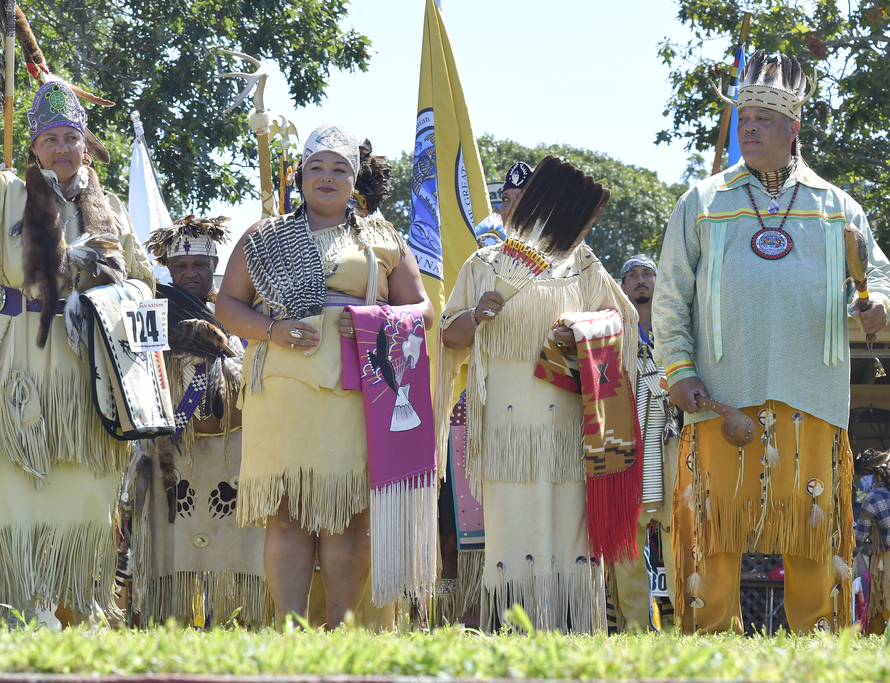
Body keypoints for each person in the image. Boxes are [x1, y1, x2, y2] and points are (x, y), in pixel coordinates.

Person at [655, 50, 890, 633]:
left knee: (810, 526)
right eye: (744, 118)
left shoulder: (836, 207)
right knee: (714, 526)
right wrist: (680, 368)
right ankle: (708, 637)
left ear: (794, 129)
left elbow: (878, 272)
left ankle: (817, 638)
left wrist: (879, 303)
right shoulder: (703, 203)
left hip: (811, 390)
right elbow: (669, 295)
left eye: (762, 117)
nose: (750, 126)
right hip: (723, 393)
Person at [0, 49, 152, 620]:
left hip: (86, 369)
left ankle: (81, 622)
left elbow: (146, 285)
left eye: (72, 137)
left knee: (87, 498)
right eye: (51, 139)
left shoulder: (110, 211)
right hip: (14, 361)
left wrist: (127, 296)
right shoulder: (8, 197)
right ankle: (22, 622)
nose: (63, 149)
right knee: (14, 501)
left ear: (86, 143)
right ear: (34, 147)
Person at [216, 124, 429, 628]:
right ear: (300, 176)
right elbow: (227, 305)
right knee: (287, 510)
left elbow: (420, 308)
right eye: (317, 168)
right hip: (283, 386)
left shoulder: (382, 238)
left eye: (339, 169)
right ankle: (291, 629)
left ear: (355, 180)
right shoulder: (265, 235)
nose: (327, 178)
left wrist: (374, 322)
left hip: (358, 387)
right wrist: (272, 328)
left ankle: (343, 627)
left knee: (348, 512)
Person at [440, 161, 636, 633]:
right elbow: (448, 335)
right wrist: (475, 315)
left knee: (571, 532)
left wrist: (582, 330)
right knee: (511, 532)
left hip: (570, 426)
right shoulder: (483, 264)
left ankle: (573, 630)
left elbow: (622, 325)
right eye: (508, 201)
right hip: (507, 432)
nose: (515, 209)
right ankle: (511, 629)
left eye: (526, 201)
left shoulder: (583, 263)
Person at [131, 215, 269, 626]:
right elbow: (140, 374)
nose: (190, 273)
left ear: (215, 266)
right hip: (175, 449)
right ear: (168, 269)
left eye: (199, 265)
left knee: (238, 544)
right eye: (180, 267)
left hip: (236, 446)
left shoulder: (239, 309)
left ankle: (239, 619)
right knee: (175, 544)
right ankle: (174, 620)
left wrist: (224, 352)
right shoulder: (151, 310)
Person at [605, 253, 677, 630]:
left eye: (647, 273)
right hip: (628, 443)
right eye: (631, 275)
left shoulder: (676, 326)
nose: (640, 280)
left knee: (678, 533)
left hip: (670, 438)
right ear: (622, 285)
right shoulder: (613, 332)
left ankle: (691, 618)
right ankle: (634, 624)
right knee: (628, 541)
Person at [855, 448, 890, 634]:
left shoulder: (873, 497)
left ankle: (876, 640)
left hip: (884, 560)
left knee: (880, 604)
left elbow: (860, 537)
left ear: (873, 476)